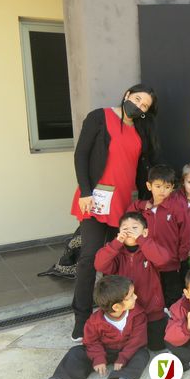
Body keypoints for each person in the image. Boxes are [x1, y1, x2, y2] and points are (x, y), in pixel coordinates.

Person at [69, 84, 158, 341]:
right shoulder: (99, 117)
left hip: (122, 204)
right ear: (127, 95)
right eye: (137, 99)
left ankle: (110, 314)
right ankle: (82, 318)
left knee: (114, 261)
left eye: (144, 106)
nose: (139, 106)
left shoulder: (140, 129)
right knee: (89, 258)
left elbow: (140, 168)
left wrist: (146, 201)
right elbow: (81, 155)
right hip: (95, 200)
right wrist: (85, 192)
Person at [27, 275, 149, 379]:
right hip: (103, 350)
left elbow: (137, 340)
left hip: (128, 350)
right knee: (76, 352)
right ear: (116, 307)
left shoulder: (137, 315)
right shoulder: (94, 321)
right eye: (131, 296)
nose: (136, 296)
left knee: (142, 354)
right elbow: (91, 341)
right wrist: (98, 358)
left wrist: (123, 357)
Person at [94, 212, 170, 350]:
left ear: (145, 232)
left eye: (135, 228)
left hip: (151, 311)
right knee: (130, 349)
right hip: (126, 313)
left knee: (157, 346)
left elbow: (163, 260)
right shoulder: (115, 251)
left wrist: (141, 240)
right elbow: (99, 265)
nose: (130, 231)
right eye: (125, 228)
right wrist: (116, 244)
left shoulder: (149, 248)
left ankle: (164, 320)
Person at [128, 164, 190, 307]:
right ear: (149, 186)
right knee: (154, 292)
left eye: (167, 187)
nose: (162, 191)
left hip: (171, 262)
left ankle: (174, 317)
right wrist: (141, 205)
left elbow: (186, 232)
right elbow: (128, 215)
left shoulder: (176, 207)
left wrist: (182, 255)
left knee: (173, 293)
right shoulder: (145, 209)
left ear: (172, 188)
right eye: (158, 186)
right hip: (149, 261)